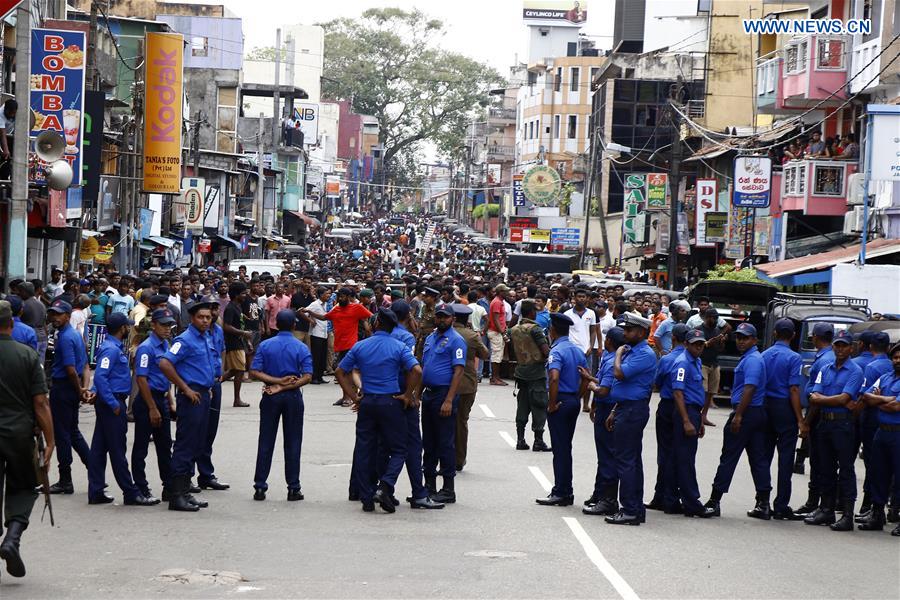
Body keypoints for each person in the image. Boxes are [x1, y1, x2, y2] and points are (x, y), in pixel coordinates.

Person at [336, 308, 422, 513]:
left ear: (376, 325)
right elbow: (417, 370)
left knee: (366, 449)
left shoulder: (361, 345)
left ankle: (366, 497)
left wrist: (353, 395)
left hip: (367, 401)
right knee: (399, 449)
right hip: (390, 401)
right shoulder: (399, 346)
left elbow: (341, 370)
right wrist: (408, 394)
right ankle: (385, 485)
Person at [0, 299, 54, 581]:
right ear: (12, 323)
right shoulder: (27, 355)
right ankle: (12, 538)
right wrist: (51, 440)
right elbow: (41, 402)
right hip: (19, 433)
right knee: (23, 487)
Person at [88, 312, 156, 506]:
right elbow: (101, 376)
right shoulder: (111, 349)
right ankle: (130, 492)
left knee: (99, 449)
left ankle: (96, 490)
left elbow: (102, 377)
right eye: (128, 326)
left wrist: (97, 392)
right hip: (113, 403)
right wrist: (112, 403)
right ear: (122, 328)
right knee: (117, 449)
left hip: (110, 401)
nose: (129, 328)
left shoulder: (113, 347)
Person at [704, 323, 771, 519]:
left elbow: (750, 388)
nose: (741, 341)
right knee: (758, 459)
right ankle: (763, 503)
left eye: (745, 338)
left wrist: (739, 415)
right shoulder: (752, 358)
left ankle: (714, 501)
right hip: (755, 413)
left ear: (754, 340)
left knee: (729, 458)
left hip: (747, 413)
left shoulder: (753, 360)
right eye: (739, 337)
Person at [159, 298, 218, 512]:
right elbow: (165, 363)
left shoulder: (205, 337)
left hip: (203, 396)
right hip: (191, 398)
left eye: (208, 317)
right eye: (201, 317)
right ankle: (176, 495)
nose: (205, 320)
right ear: (192, 318)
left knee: (196, 444)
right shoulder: (184, 340)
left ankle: (185, 491)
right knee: (184, 446)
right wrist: (185, 388)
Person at [385, 300, 444, 509]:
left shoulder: (377, 337)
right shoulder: (405, 337)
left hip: (380, 396)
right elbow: (412, 369)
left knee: (380, 445)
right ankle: (417, 493)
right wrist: (411, 394)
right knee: (412, 445)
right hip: (402, 395)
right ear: (408, 315)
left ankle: (370, 490)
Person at [248, 309, 313, 501]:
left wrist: (276, 383)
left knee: (266, 441)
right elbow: (308, 376)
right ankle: (294, 487)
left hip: (270, 395)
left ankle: (260, 487)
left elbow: (254, 371)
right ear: (294, 325)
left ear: (276, 324)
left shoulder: (266, 345)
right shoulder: (301, 347)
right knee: (293, 442)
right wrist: (286, 385)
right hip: (292, 396)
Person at [804, 330, 864, 531]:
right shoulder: (826, 368)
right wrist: (827, 399)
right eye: (837, 345)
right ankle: (826, 509)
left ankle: (847, 515)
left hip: (842, 424)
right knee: (825, 467)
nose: (839, 349)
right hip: (825, 423)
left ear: (851, 348)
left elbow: (844, 399)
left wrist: (823, 399)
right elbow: (813, 394)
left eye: (844, 345)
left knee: (846, 469)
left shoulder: (855, 371)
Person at [605, 312, 657, 525]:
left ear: (642, 332)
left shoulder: (643, 353)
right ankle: (635, 508)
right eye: (624, 329)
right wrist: (614, 409)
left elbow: (619, 375)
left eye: (629, 330)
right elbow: (626, 388)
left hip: (633, 411)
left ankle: (629, 509)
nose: (625, 333)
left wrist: (617, 354)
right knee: (631, 460)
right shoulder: (634, 350)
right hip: (626, 408)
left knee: (626, 461)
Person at [535, 313, 589, 507]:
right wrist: (578, 397)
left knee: (560, 449)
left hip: (560, 402)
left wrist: (551, 403)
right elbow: (586, 376)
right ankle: (565, 490)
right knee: (565, 447)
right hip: (572, 400)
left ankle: (561, 492)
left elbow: (554, 377)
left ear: (552, 331)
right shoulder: (577, 350)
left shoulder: (556, 351)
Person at [418, 303, 467, 503]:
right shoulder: (430, 338)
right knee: (428, 442)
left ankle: (448, 488)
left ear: (452, 319)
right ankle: (429, 485)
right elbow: (424, 367)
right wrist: (416, 393)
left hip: (443, 395)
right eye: (439, 316)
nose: (441, 320)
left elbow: (459, 371)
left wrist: (448, 399)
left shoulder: (457, 340)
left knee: (445, 443)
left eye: (445, 317)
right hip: (428, 395)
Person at [761, 318, 807, 520]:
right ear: (794, 336)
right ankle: (781, 504)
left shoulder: (764, 355)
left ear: (774, 334)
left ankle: (761, 501)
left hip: (765, 406)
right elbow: (794, 389)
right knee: (785, 458)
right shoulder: (794, 358)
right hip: (784, 408)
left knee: (764, 456)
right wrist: (799, 418)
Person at [46, 299, 91, 494]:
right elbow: (85, 366)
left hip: (64, 388)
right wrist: (82, 388)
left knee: (62, 435)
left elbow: (71, 369)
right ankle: (94, 467)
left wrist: (80, 389)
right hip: (71, 388)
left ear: (67, 315)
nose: (54, 317)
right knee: (72, 432)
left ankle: (65, 479)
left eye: (58, 314)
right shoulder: (73, 334)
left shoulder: (65, 337)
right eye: (52, 314)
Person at [132, 308, 177, 504]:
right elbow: (141, 379)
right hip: (147, 400)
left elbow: (165, 376)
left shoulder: (166, 344)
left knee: (165, 445)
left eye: (169, 325)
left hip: (161, 398)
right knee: (141, 447)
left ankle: (168, 487)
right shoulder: (147, 347)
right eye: (164, 325)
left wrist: (170, 399)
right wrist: (152, 408)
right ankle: (141, 488)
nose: (167, 329)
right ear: (153, 325)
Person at [579, 326, 624, 516]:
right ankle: (599, 494)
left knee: (607, 456)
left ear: (610, 342)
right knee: (604, 455)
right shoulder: (611, 358)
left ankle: (608, 500)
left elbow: (604, 389)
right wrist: (591, 378)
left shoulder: (611, 360)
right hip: (605, 407)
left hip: (609, 407)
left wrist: (591, 385)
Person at [670, 329, 715, 518]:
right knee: (686, 460)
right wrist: (687, 421)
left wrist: (700, 420)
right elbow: (678, 393)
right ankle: (692, 503)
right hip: (685, 412)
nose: (699, 347)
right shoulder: (682, 363)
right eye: (695, 343)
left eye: (701, 344)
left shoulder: (696, 361)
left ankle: (676, 499)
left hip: (693, 412)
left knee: (683, 458)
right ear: (686, 344)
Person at [302, 287, 372, 407]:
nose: (340, 298)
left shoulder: (357, 307)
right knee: (343, 372)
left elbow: (369, 316)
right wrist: (308, 311)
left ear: (349, 297)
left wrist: (367, 330)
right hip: (339, 345)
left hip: (351, 345)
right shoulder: (336, 309)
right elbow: (324, 317)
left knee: (345, 372)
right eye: (339, 296)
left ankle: (349, 397)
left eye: (343, 296)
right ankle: (348, 396)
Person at [646, 323, 689, 513]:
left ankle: (663, 496)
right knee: (679, 453)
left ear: (672, 338)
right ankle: (671, 496)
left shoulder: (667, 359)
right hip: (686, 407)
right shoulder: (691, 358)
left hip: (668, 405)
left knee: (665, 454)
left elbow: (657, 383)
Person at [857, 342, 900, 535]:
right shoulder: (885, 377)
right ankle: (876, 514)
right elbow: (866, 397)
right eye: (895, 357)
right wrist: (888, 400)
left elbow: (896, 408)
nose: (898, 361)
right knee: (878, 473)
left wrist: (880, 401)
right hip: (882, 432)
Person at [794, 323, 835, 517]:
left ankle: (815, 503)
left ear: (815, 337)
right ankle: (817, 503)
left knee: (819, 461)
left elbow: (817, 396)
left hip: (818, 413)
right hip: (823, 413)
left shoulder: (823, 360)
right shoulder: (829, 357)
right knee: (821, 461)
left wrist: (806, 422)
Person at [196, 296, 230, 491]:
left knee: (210, 431)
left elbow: (222, 351)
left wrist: (221, 373)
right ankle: (188, 475)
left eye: (215, 310)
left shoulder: (217, 330)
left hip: (215, 383)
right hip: (199, 387)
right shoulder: (193, 335)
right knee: (195, 432)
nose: (212, 314)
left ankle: (206, 474)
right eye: (209, 310)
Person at [451, 302, 489, 471]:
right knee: (461, 422)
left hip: (445, 382)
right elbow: (485, 355)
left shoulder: (443, 333)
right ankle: (459, 459)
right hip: (466, 384)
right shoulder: (472, 336)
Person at [509, 300, 551, 451]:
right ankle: (538, 440)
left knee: (522, 405)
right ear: (532, 312)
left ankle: (520, 439)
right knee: (539, 405)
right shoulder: (535, 329)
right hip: (537, 372)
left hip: (521, 371)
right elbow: (546, 351)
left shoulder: (513, 329)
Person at [564, 288, 598, 412]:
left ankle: (585, 404)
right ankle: (573, 400)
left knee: (587, 377)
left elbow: (593, 331)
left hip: (586, 351)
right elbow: (565, 331)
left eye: (584, 297)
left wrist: (591, 345)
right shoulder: (567, 314)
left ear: (587, 298)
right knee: (571, 376)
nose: (581, 299)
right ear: (574, 297)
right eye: (579, 296)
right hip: (572, 350)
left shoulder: (591, 313)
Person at [221, 283, 251, 408]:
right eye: (243, 293)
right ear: (236, 295)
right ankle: (237, 399)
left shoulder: (238, 306)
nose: (245, 295)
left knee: (236, 369)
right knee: (239, 370)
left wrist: (247, 341)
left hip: (239, 341)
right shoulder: (230, 308)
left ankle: (213, 384)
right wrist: (243, 333)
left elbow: (241, 325)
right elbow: (226, 326)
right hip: (233, 343)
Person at [306, 287, 331, 384]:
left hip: (324, 333)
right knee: (316, 357)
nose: (328, 295)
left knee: (322, 356)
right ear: (321, 295)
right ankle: (314, 377)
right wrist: (310, 320)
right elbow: (302, 311)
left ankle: (320, 376)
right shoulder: (315, 304)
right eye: (327, 294)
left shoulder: (325, 304)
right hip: (316, 333)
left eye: (329, 294)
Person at [487, 284, 509, 386]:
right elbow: (495, 319)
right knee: (496, 355)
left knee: (498, 355)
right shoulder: (497, 302)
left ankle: (496, 377)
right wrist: (502, 333)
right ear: (500, 292)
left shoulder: (499, 302)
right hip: (496, 332)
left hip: (498, 331)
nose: (507, 293)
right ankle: (494, 378)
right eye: (506, 291)